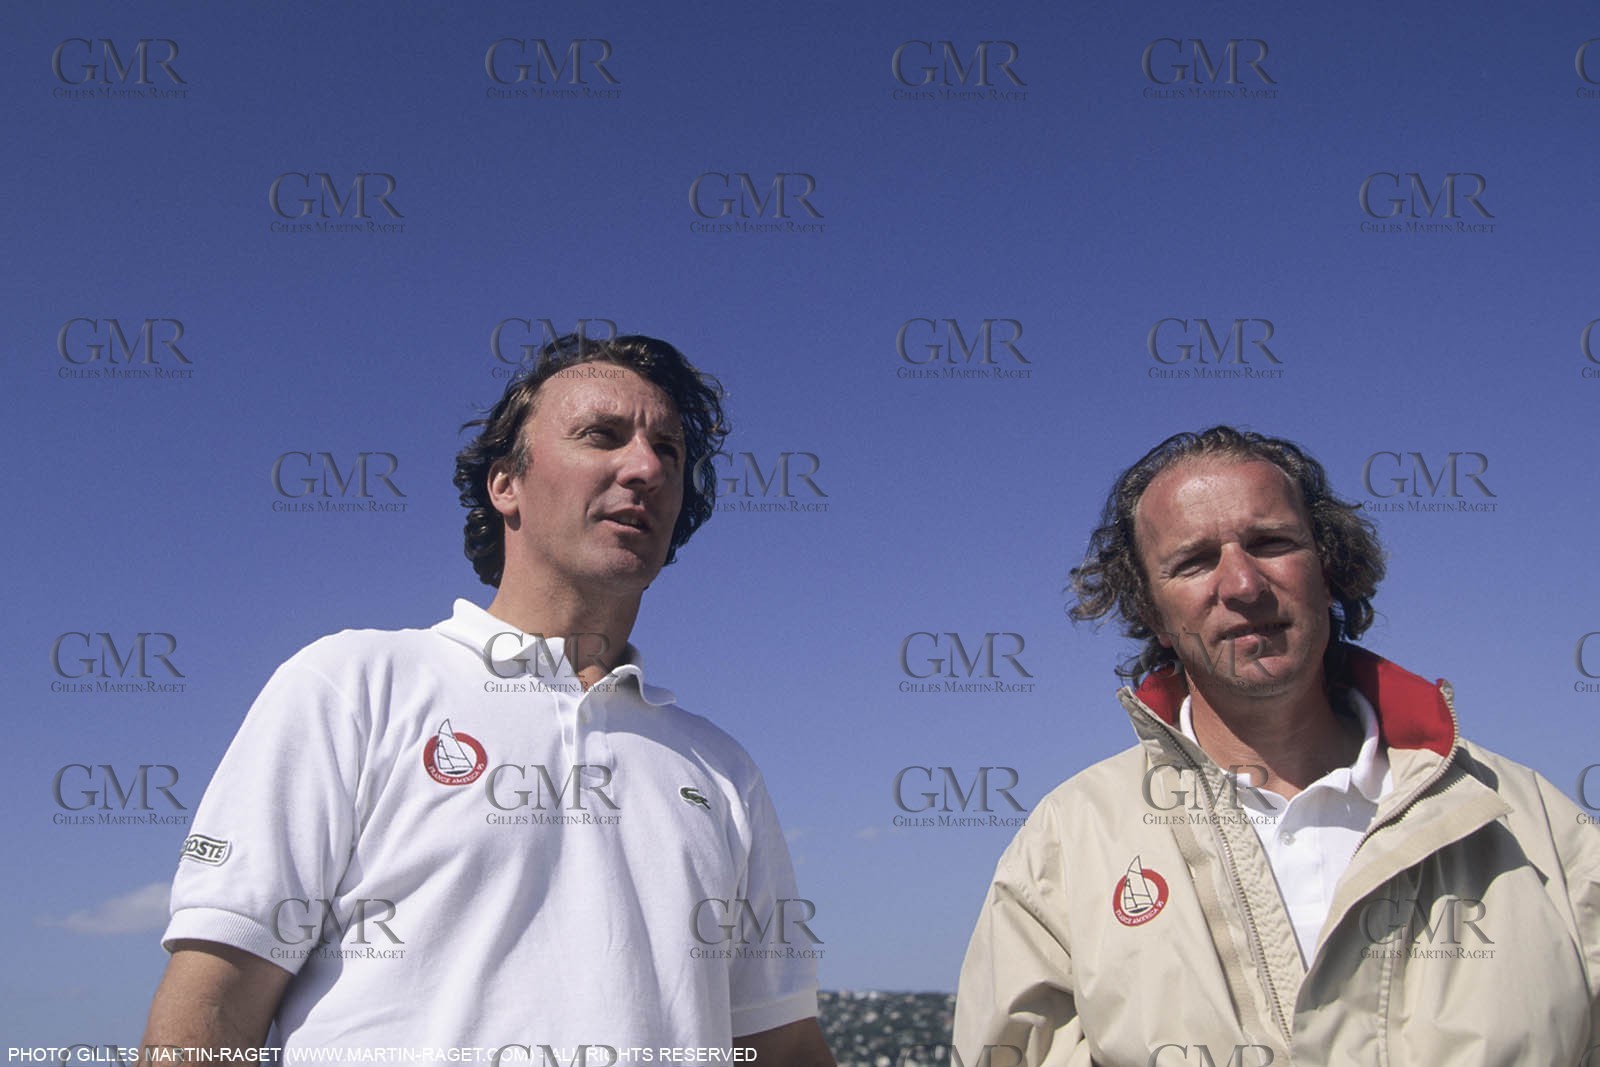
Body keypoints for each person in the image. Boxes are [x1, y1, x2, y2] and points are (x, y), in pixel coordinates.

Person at [141, 334, 835, 1066]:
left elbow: (781, 1041)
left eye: (669, 449)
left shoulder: (722, 770)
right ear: (506, 484)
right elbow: (212, 1008)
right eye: (602, 435)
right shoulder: (354, 684)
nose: (647, 467)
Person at [953, 426, 1600, 1065]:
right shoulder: (1068, 845)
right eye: (1195, 560)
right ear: (1152, 611)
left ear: (1327, 568)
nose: (1242, 584)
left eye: (1271, 543)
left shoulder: (1538, 828)